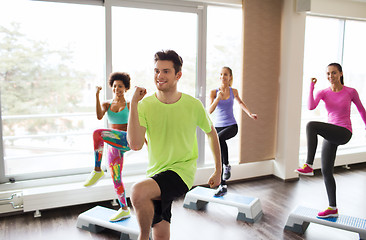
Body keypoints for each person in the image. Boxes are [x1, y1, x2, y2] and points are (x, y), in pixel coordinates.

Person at [127, 50, 222, 240]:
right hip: (156, 173)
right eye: (156, 71)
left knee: (138, 192)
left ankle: (142, 238)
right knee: (161, 230)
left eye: (166, 71)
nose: (159, 76)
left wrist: (218, 170)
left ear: (178, 75)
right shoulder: (145, 105)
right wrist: (134, 104)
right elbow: (135, 144)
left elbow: (212, 134)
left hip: (181, 172)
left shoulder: (193, 105)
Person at [295, 63, 366, 218]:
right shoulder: (324, 92)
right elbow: (311, 107)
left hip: (344, 132)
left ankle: (308, 165)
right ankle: (332, 208)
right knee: (327, 171)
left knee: (311, 126)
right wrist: (311, 87)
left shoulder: (350, 92)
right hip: (331, 133)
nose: (330, 76)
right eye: (328, 74)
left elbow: (361, 109)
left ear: (340, 74)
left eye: (334, 73)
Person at [83, 72, 132, 222]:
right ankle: (124, 209)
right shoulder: (107, 104)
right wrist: (97, 96)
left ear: (126, 88)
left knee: (97, 133)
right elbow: (99, 116)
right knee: (116, 178)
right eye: (115, 86)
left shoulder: (130, 105)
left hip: (125, 139)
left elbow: (138, 124)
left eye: (120, 86)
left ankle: (97, 170)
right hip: (113, 143)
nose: (117, 88)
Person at [208, 66, 257, 197]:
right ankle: (223, 184)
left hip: (231, 126)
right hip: (218, 127)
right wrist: (217, 98)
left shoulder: (233, 91)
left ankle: (227, 166)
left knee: (219, 140)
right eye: (221, 74)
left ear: (230, 77)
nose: (223, 77)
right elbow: (209, 111)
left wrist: (250, 113)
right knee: (218, 150)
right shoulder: (214, 92)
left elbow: (241, 103)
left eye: (226, 74)